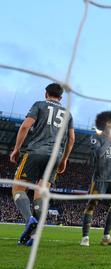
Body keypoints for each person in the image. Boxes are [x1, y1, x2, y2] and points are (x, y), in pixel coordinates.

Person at [10, 83, 75, 246]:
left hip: (36, 152)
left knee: (18, 188)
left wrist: (17, 149)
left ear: (46, 93)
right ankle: (33, 237)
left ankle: (29, 220)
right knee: (41, 193)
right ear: (60, 97)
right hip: (56, 156)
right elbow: (72, 138)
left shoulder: (39, 105)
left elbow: (25, 126)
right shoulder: (68, 114)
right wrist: (65, 159)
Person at [80, 111, 111, 246]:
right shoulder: (96, 137)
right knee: (92, 204)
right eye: (109, 122)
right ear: (102, 123)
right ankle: (85, 237)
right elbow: (98, 154)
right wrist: (108, 142)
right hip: (99, 178)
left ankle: (106, 236)